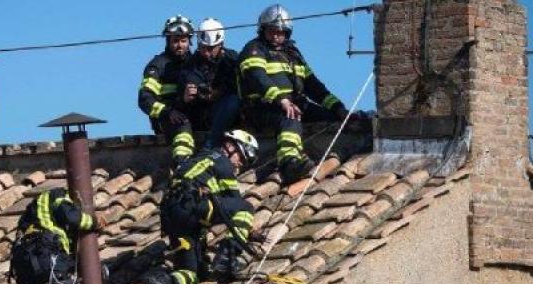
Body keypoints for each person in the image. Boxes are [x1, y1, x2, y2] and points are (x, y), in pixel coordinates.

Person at [238, 4, 364, 185]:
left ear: (287, 33)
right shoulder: (254, 49)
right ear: (263, 29)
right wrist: (281, 100)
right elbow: (258, 78)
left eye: (281, 32)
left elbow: (314, 86)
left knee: (329, 117)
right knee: (289, 116)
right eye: (272, 31)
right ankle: (289, 163)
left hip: (294, 104)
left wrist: (339, 109)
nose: (276, 35)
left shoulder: (293, 55)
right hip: (262, 108)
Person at [144, 129, 261, 284]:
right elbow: (234, 202)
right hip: (192, 207)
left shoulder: (198, 158)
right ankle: (227, 257)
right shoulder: (222, 162)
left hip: (174, 216)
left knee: (193, 272)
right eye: (241, 157)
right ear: (230, 146)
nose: (239, 166)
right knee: (246, 207)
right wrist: (245, 232)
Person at [138, 15, 196, 164]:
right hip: (168, 119)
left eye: (183, 41)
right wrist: (166, 112)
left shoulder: (196, 62)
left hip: (194, 112)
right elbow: (145, 98)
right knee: (183, 125)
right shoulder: (157, 66)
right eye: (175, 41)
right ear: (168, 41)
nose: (179, 45)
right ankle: (182, 165)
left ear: (189, 41)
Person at [178, 18, 242, 150]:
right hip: (203, 114)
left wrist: (219, 92)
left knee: (234, 101)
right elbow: (186, 97)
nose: (206, 53)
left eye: (211, 48)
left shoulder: (232, 59)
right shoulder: (189, 66)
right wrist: (187, 97)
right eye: (203, 47)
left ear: (221, 45)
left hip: (230, 112)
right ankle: (210, 146)